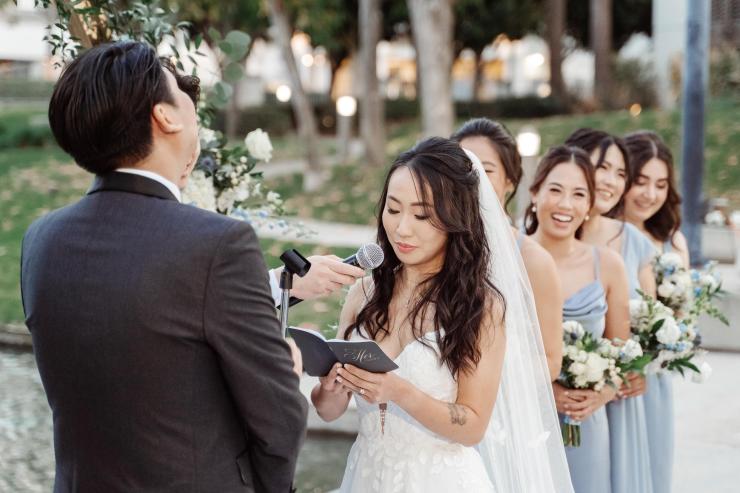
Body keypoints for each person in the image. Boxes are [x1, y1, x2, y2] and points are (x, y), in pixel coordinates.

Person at [20, 41, 308, 492]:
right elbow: (279, 417)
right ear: (165, 117)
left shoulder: (41, 240)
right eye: (178, 89)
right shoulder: (217, 245)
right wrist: (285, 374)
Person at [312, 137, 573, 492]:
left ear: (455, 218)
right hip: (366, 476)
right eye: (393, 209)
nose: (402, 228)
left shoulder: (481, 307)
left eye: (422, 215)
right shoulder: (364, 293)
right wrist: (330, 389)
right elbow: (328, 411)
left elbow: (473, 426)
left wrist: (399, 391)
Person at [525, 145, 632, 493]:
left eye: (579, 194)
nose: (565, 204)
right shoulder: (510, 261)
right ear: (535, 193)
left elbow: (623, 355)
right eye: (555, 190)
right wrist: (546, 390)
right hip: (523, 418)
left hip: (585, 424)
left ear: (589, 206)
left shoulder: (608, 265)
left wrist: (602, 394)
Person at [565, 128, 655, 493]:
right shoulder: (541, 234)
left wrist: (636, 367)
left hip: (615, 398)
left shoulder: (634, 242)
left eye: (620, 173)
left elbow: (646, 323)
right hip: (555, 396)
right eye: (602, 167)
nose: (611, 181)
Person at [452, 118, 563, 381]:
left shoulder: (533, 260)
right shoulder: (435, 246)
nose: (471, 177)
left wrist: (483, 381)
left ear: (510, 180)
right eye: (463, 166)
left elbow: (551, 361)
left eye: (486, 169)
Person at [623, 130, 686, 493]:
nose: (650, 194)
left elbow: (683, 317)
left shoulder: (671, 242)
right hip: (615, 377)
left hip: (654, 379)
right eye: (641, 181)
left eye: (660, 185)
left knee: (655, 472)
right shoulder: (602, 237)